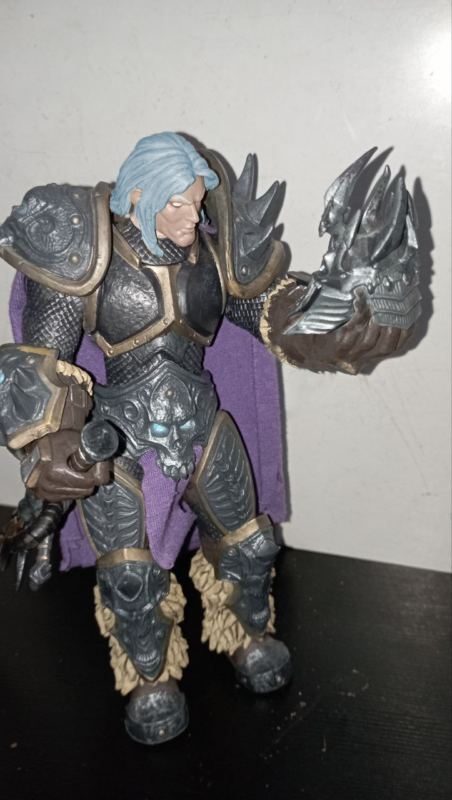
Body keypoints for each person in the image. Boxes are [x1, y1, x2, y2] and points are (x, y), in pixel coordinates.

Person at [0, 133, 421, 744]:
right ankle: (149, 677)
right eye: (178, 204)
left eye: (198, 204)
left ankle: (244, 634)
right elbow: (39, 360)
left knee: (249, 547)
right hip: (120, 436)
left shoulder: (211, 257)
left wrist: (347, 315)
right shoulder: (84, 253)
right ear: (137, 197)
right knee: (131, 579)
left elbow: (272, 316)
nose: (192, 219)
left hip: (203, 422)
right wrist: (49, 447)